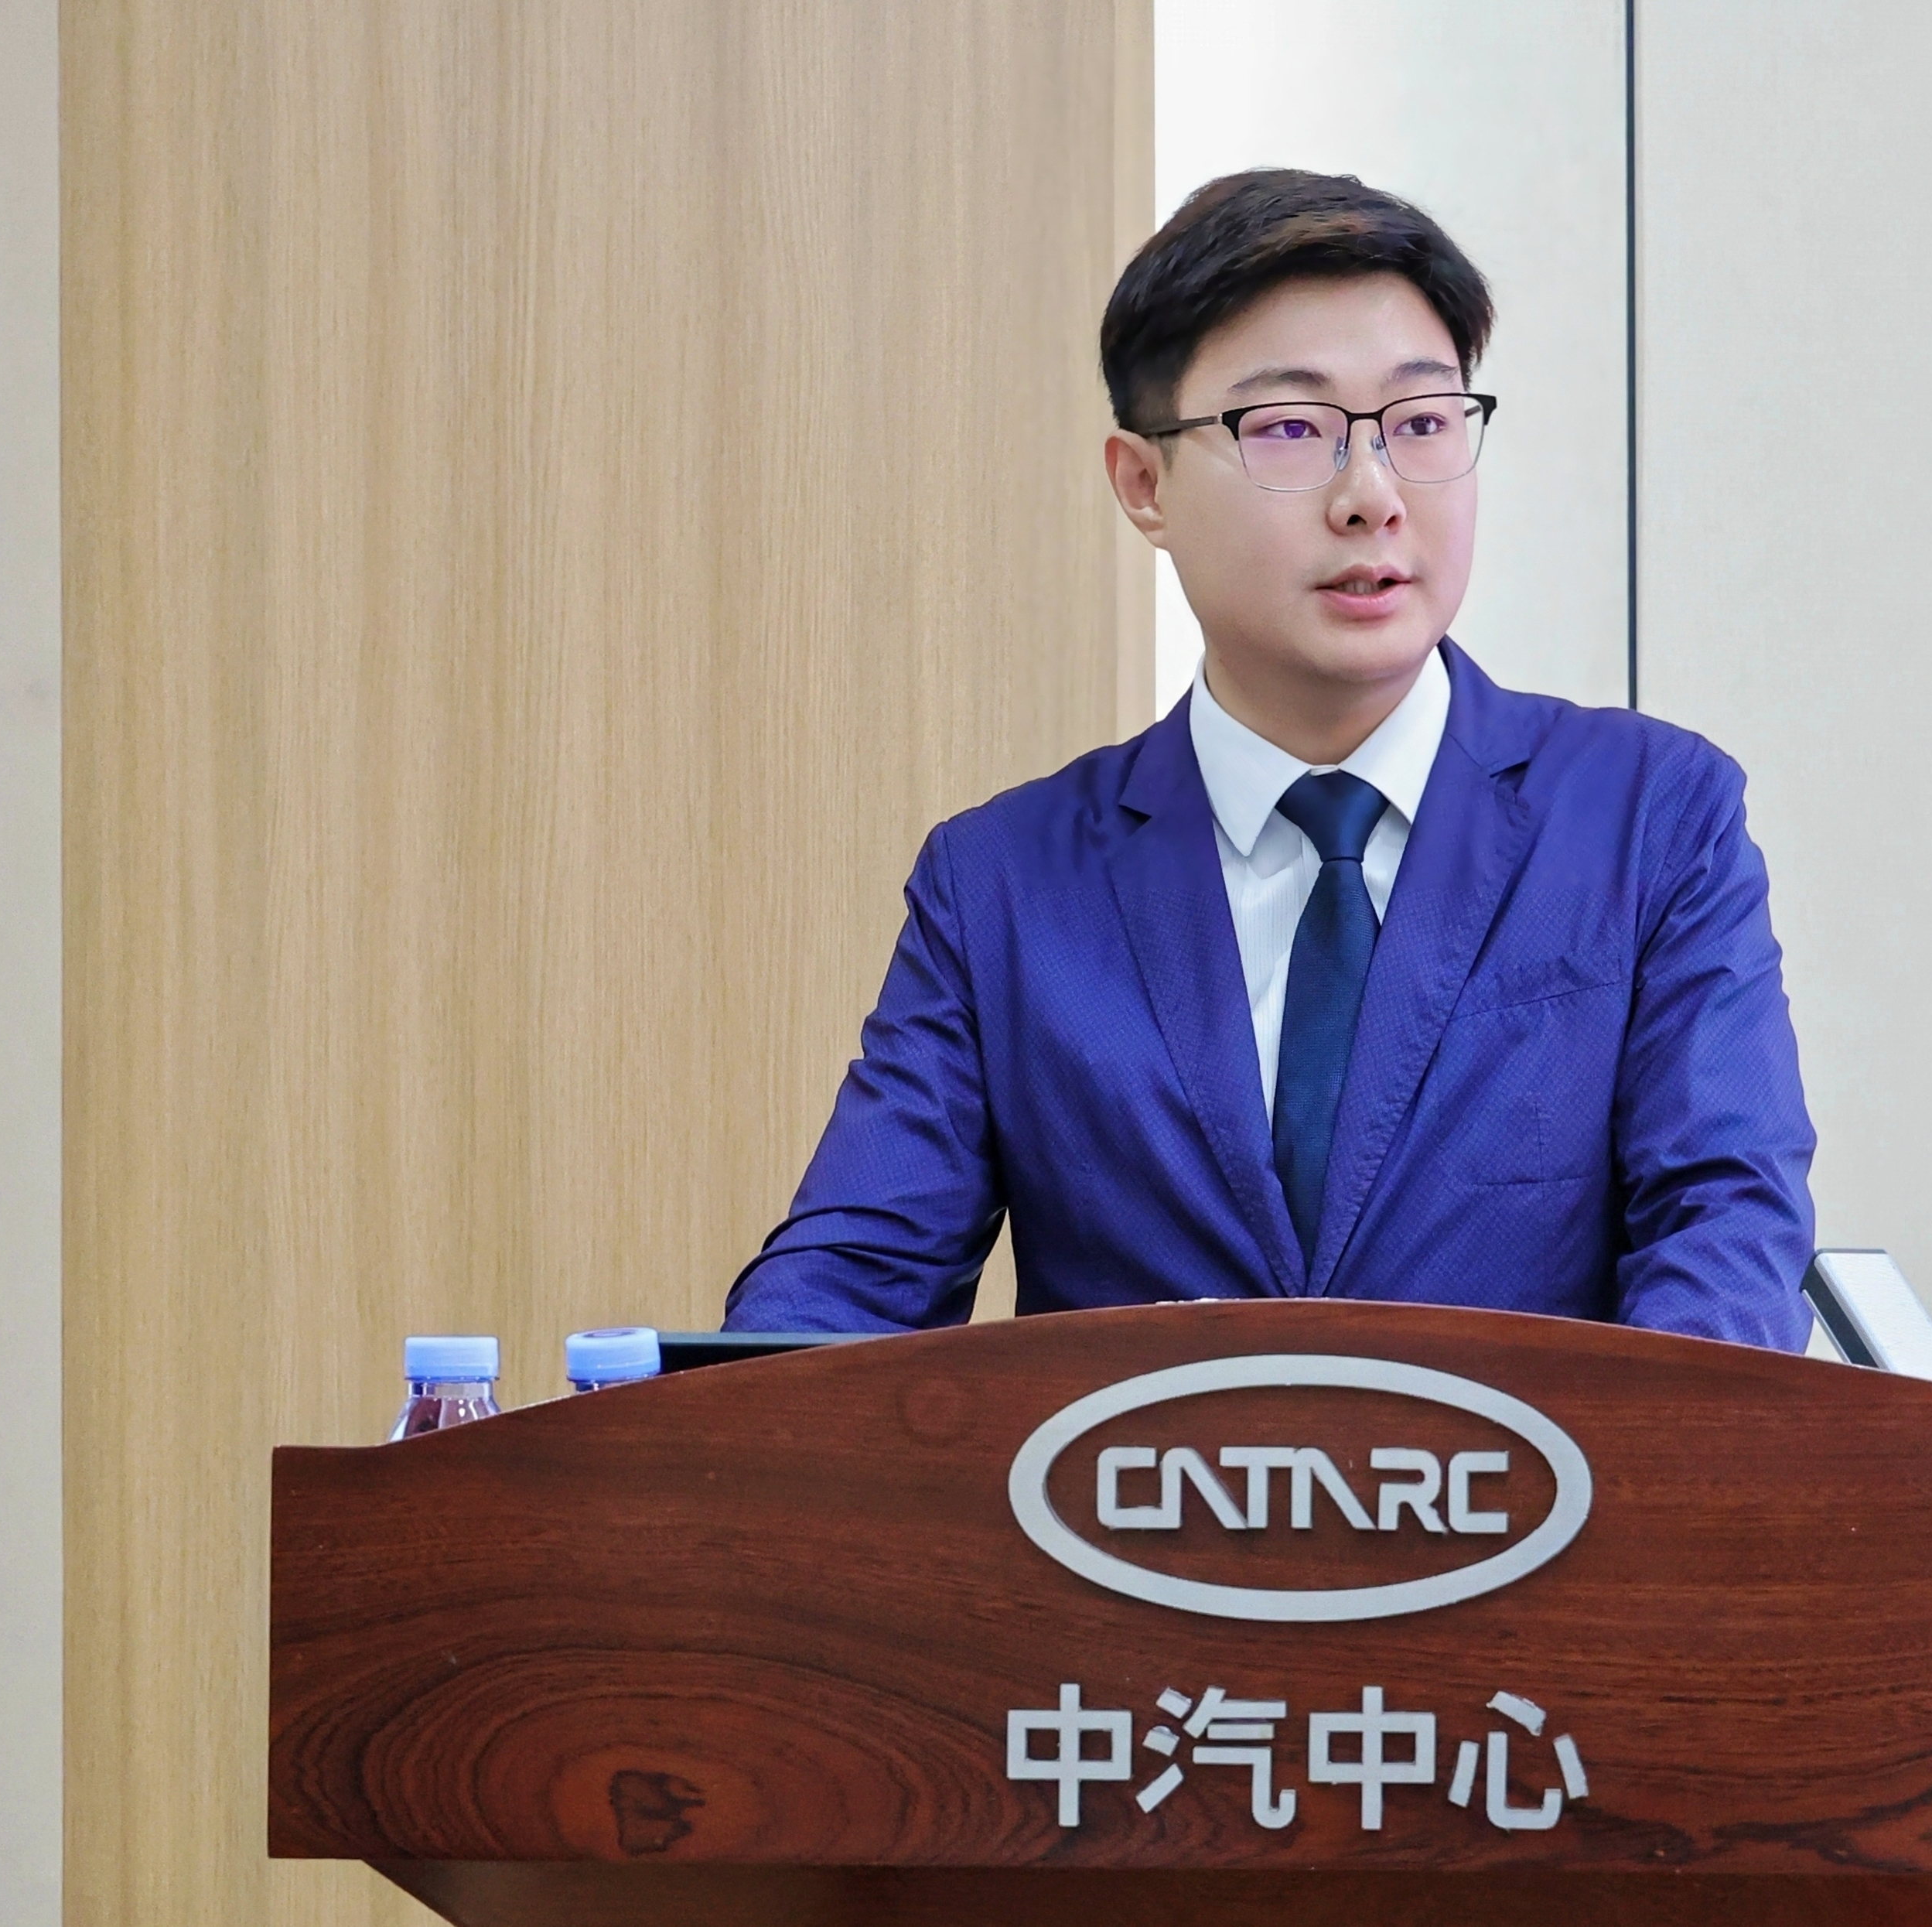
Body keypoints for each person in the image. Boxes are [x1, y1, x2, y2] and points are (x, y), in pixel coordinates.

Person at [724, 169, 1815, 1347]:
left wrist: (1643, 1460)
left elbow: (1725, 1229)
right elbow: (852, 1277)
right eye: (1291, 429)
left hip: (1546, 1471)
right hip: (1134, 1476)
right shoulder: (1002, 882)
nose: (1371, 496)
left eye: (1422, 424)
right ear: (1143, 484)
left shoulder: (1648, 817)